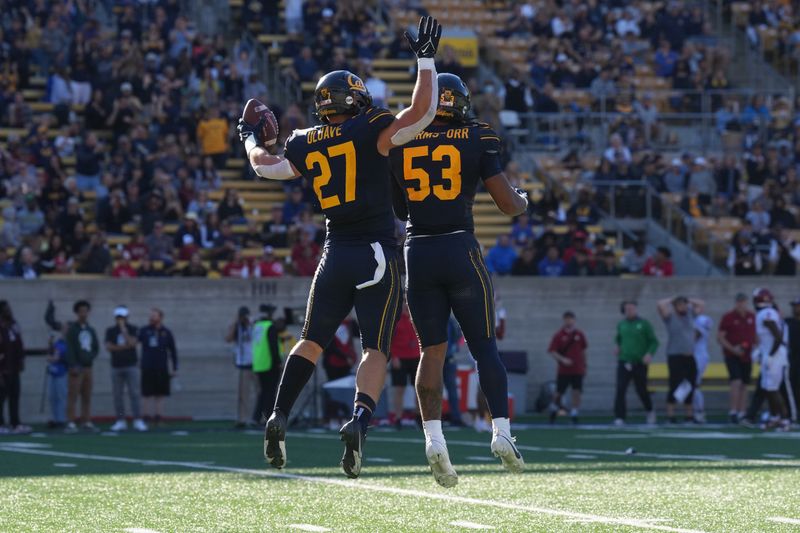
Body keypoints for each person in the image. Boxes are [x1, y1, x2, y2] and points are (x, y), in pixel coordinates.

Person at [238, 16, 443, 478]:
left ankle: (279, 414)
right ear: (357, 100)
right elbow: (422, 114)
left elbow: (264, 168)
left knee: (310, 341)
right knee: (374, 349)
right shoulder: (371, 126)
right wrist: (425, 60)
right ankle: (360, 420)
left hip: (333, 253)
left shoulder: (305, 141)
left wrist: (250, 137)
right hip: (375, 252)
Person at [389, 72, 528, 488]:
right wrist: (523, 198)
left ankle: (434, 440)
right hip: (459, 247)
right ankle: (501, 430)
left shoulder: (401, 139)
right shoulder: (477, 136)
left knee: (430, 352)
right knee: (484, 346)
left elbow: (401, 208)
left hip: (419, 252)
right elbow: (507, 204)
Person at [657, 296, 704, 423]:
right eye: (680, 305)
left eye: (684, 305)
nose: (683, 307)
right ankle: (670, 415)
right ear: (675, 306)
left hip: (690, 356)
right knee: (674, 384)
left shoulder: (690, 315)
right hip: (675, 356)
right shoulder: (670, 317)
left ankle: (689, 415)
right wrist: (672, 300)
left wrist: (689, 300)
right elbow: (660, 304)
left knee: (690, 384)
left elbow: (701, 304)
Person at [614, 301, 659, 426]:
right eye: (627, 309)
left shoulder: (644, 324)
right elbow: (618, 339)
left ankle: (650, 410)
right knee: (620, 389)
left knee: (641, 389)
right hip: (624, 361)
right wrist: (618, 347)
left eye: (632, 308)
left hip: (639, 362)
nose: (630, 311)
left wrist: (649, 354)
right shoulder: (621, 324)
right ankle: (620, 417)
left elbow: (654, 342)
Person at [751, 288, 790, 431]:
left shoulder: (765, 314)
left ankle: (784, 418)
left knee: (772, 388)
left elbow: (777, 337)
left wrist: (770, 355)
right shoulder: (767, 313)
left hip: (775, 356)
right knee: (768, 388)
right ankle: (775, 417)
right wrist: (761, 352)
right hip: (772, 354)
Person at [105, 306, 147, 432]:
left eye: (122, 317)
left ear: (127, 317)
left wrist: (124, 331)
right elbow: (109, 347)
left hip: (131, 365)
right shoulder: (110, 330)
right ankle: (121, 420)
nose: (120, 319)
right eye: (118, 317)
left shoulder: (133, 328)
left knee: (134, 393)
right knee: (118, 395)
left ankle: (137, 420)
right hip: (116, 366)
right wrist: (125, 346)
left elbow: (133, 343)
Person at [717, 293, 755, 423]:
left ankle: (742, 411)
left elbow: (755, 336)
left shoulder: (751, 317)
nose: (741, 304)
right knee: (736, 381)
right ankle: (733, 410)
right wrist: (733, 349)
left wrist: (757, 348)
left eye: (743, 302)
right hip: (732, 355)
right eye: (739, 302)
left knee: (745, 383)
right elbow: (720, 337)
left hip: (747, 355)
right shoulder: (728, 317)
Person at [138, 308, 178, 426]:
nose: (151, 318)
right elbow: (134, 344)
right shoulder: (144, 331)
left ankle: (159, 416)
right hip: (147, 366)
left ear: (160, 317)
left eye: (154, 316)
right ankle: (145, 417)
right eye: (151, 316)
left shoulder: (166, 332)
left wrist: (175, 367)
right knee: (146, 393)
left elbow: (173, 351)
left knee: (160, 393)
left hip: (162, 367)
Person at [546, 311, 588, 425]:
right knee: (559, 392)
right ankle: (554, 409)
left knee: (577, 391)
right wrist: (563, 360)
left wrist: (584, 365)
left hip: (577, 369)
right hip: (564, 370)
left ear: (574, 320)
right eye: (567, 319)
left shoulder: (579, 334)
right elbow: (552, 351)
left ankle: (574, 413)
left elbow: (583, 350)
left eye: (571, 319)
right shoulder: (559, 335)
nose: (569, 321)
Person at [65, 300, 99, 432]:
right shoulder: (73, 330)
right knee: (73, 395)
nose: (84, 314)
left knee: (87, 395)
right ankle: (71, 421)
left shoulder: (91, 329)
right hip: (76, 367)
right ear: (77, 313)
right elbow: (70, 348)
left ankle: (86, 420)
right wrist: (73, 364)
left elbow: (95, 347)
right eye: (81, 311)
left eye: (86, 311)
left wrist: (89, 358)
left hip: (88, 367)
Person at [322, 317, 359, 428]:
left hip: (346, 364)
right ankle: (331, 418)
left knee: (345, 392)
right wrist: (345, 356)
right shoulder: (330, 322)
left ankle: (345, 417)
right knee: (333, 392)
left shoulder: (350, 324)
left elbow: (358, 334)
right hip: (332, 363)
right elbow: (330, 346)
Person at [0, 301, 31, 434]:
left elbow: (19, 343)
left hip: (14, 367)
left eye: (9, 308)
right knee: (1, 397)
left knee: (15, 395)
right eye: (6, 309)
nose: (9, 311)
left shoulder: (13, 324)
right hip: (3, 367)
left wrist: (21, 359)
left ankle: (15, 423)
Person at [251, 305, 285, 425]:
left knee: (264, 392)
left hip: (259, 364)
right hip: (269, 364)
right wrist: (278, 362)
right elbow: (273, 347)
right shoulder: (270, 327)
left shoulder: (256, 327)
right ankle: (269, 418)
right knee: (270, 392)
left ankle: (256, 417)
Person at [389, 305, 421, 430]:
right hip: (400, 358)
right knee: (399, 389)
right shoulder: (395, 319)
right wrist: (394, 357)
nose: (406, 305)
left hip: (415, 357)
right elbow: (389, 339)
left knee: (418, 388)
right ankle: (398, 418)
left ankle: (419, 416)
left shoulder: (417, 317)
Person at [226, 306, 258, 427]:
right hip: (243, 364)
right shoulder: (237, 327)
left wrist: (251, 322)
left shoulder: (253, 325)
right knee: (243, 394)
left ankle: (258, 417)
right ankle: (242, 418)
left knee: (259, 392)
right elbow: (228, 339)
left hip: (256, 364)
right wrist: (235, 323)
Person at [692, 304, 714, 423]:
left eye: (697, 307)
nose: (695, 309)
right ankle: (694, 411)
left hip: (699, 356)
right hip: (691, 356)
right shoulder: (691, 319)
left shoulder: (702, 319)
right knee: (690, 384)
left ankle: (699, 411)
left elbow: (695, 336)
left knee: (695, 384)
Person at [443, 316, 464, 426]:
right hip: (434, 361)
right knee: (434, 391)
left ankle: (456, 417)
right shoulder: (433, 317)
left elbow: (460, 336)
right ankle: (434, 419)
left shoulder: (451, 321)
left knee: (453, 391)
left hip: (449, 360)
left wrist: (455, 348)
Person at [46, 332, 68, 428]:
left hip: (61, 373)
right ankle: (55, 418)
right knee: (52, 397)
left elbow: (55, 358)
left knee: (61, 396)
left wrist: (51, 358)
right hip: (53, 373)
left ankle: (61, 419)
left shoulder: (65, 345)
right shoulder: (57, 344)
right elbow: (50, 356)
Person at [785, 298, 800, 422]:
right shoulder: (787, 322)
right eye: (795, 306)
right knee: (792, 385)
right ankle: (792, 411)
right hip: (791, 359)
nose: (796, 308)